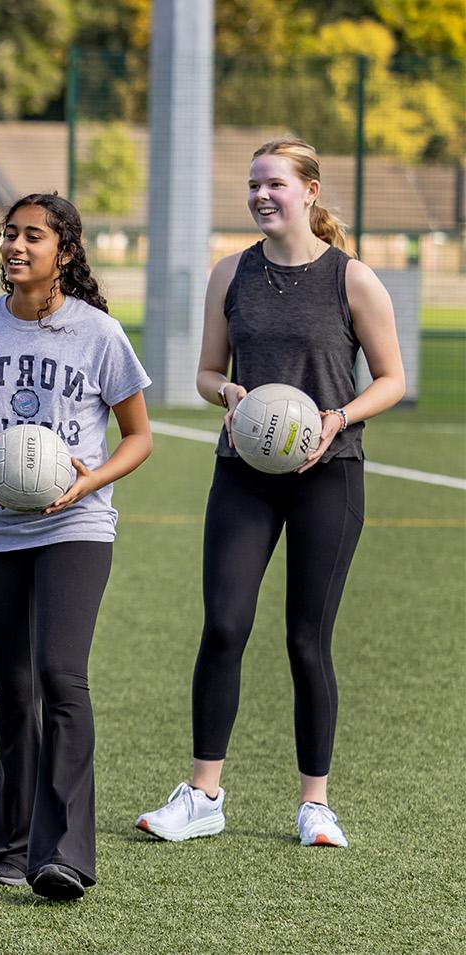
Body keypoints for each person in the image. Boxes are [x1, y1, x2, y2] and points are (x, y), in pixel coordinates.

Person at [135, 138, 403, 848]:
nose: (260, 194)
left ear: (310, 191)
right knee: (224, 625)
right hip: (244, 471)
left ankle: (315, 803)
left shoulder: (353, 279)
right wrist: (228, 392)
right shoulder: (231, 273)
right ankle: (202, 794)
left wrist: (335, 418)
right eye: (254, 183)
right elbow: (203, 373)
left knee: (306, 640)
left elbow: (392, 379)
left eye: (275, 183)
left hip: (330, 472)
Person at [0, 193, 152, 902]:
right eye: (10, 235)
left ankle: (66, 854)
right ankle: (11, 848)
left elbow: (138, 436)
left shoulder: (98, 334)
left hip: (74, 527)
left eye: (32, 236)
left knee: (61, 674)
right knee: (14, 688)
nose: (16, 246)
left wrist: (90, 484)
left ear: (66, 250)